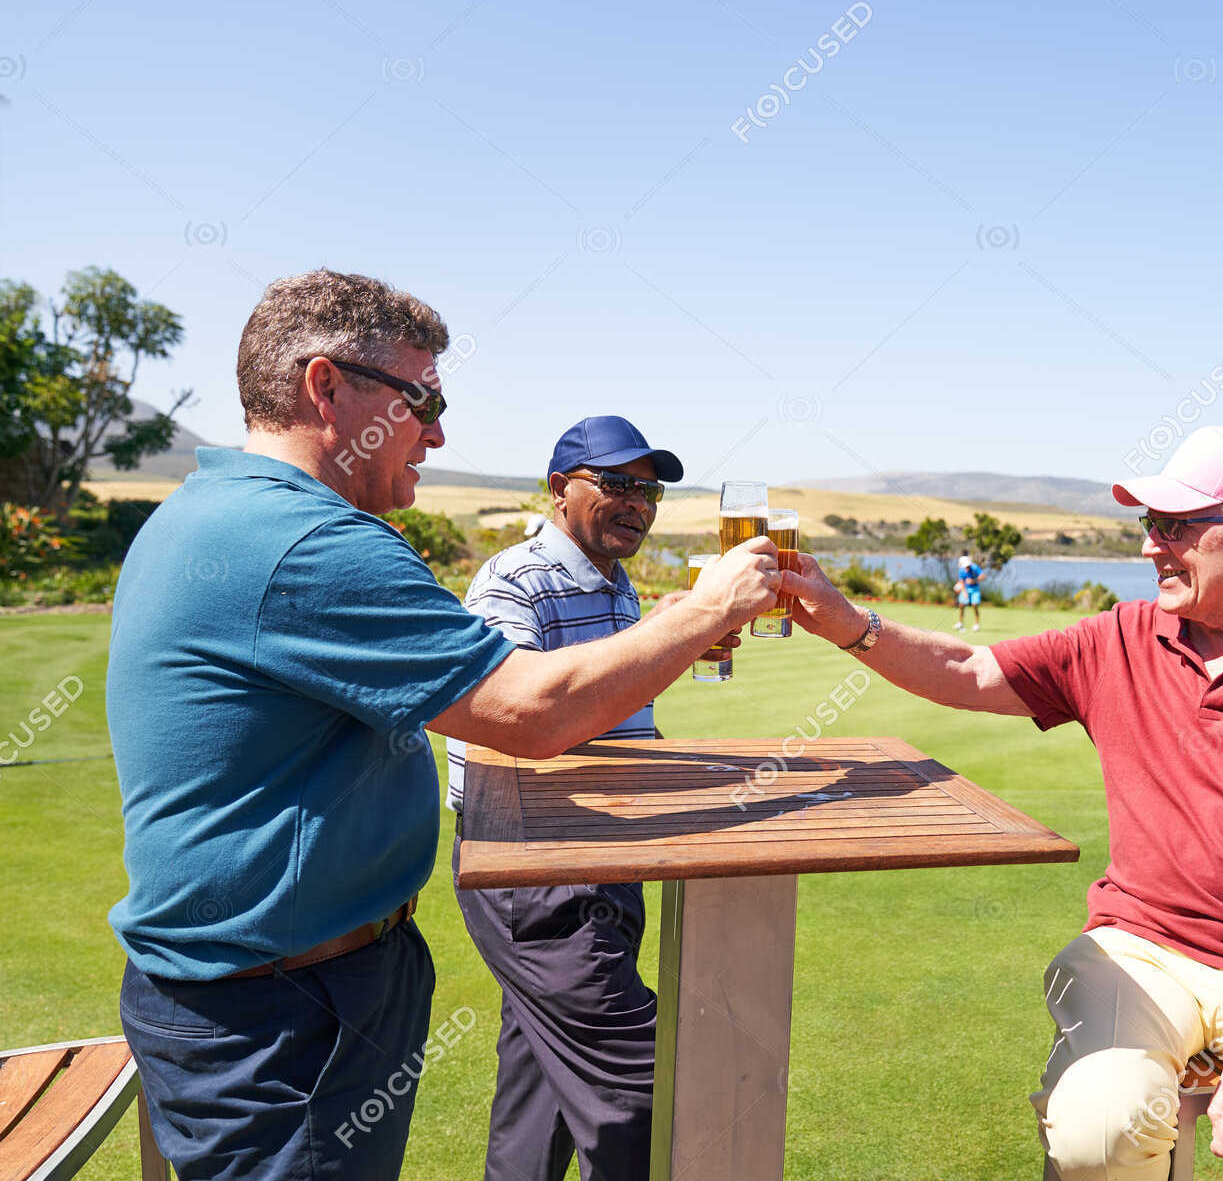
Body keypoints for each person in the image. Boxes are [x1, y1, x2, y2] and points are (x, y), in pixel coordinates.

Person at [107, 269, 778, 1181]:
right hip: (282, 1015)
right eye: (422, 396)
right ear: (326, 386)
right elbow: (529, 712)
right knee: (657, 1102)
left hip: (270, 992)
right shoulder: (311, 543)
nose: (439, 429)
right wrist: (707, 606)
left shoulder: (208, 511)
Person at [779, 425, 1223, 1181]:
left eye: (1176, 527)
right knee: (1100, 1133)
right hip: (1144, 952)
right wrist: (846, 622)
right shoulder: (1120, 637)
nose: (1152, 546)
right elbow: (968, 666)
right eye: (1149, 525)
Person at [444, 415, 682, 1181]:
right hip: (535, 869)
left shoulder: (618, 584)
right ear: (559, 489)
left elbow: (609, 709)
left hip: (606, 859)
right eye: (615, 482)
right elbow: (516, 719)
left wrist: (672, 643)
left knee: (540, 1084)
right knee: (647, 1095)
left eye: (647, 489)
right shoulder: (514, 582)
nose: (636, 503)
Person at [954, 553, 984, 632]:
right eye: (965, 566)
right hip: (966, 590)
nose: (966, 567)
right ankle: (960, 622)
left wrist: (974, 581)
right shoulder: (961, 570)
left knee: (975, 605)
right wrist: (964, 592)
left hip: (975, 589)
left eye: (967, 566)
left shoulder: (975, 567)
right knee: (961, 605)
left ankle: (977, 624)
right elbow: (961, 582)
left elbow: (982, 576)